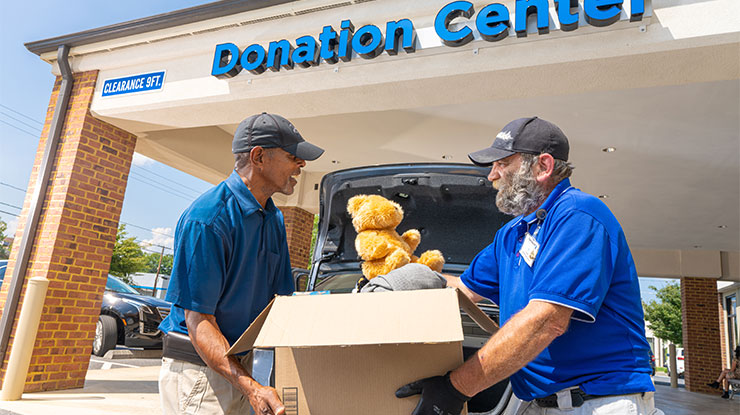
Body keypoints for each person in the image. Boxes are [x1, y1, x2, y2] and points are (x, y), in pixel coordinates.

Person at [396, 117, 661, 415]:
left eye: (502, 163)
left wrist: (455, 389)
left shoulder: (579, 215)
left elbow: (547, 321)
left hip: (597, 401)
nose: (492, 176)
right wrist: (401, 277)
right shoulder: (513, 233)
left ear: (543, 167)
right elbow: (462, 290)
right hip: (536, 402)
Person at [158, 112, 324, 415]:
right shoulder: (207, 219)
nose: (302, 164)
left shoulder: (272, 216)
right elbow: (199, 322)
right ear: (259, 156)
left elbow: (280, 303)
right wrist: (251, 387)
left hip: (241, 368)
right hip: (200, 372)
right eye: (292, 156)